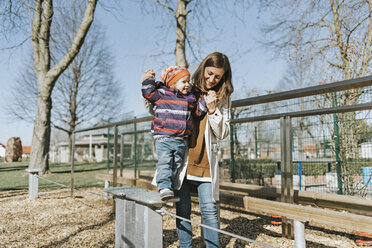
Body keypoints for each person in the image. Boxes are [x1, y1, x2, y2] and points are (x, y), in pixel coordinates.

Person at [141, 65, 207, 200]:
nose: (188, 85)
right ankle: (164, 187)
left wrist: (205, 102)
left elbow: (197, 112)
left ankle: (169, 185)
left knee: (176, 163)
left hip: (181, 139)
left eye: (188, 81)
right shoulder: (161, 95)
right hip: (164, 138)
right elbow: (147, 92)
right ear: (172, 83)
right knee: (165, 162)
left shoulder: (189, 99)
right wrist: (149, 79)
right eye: (184, 82)